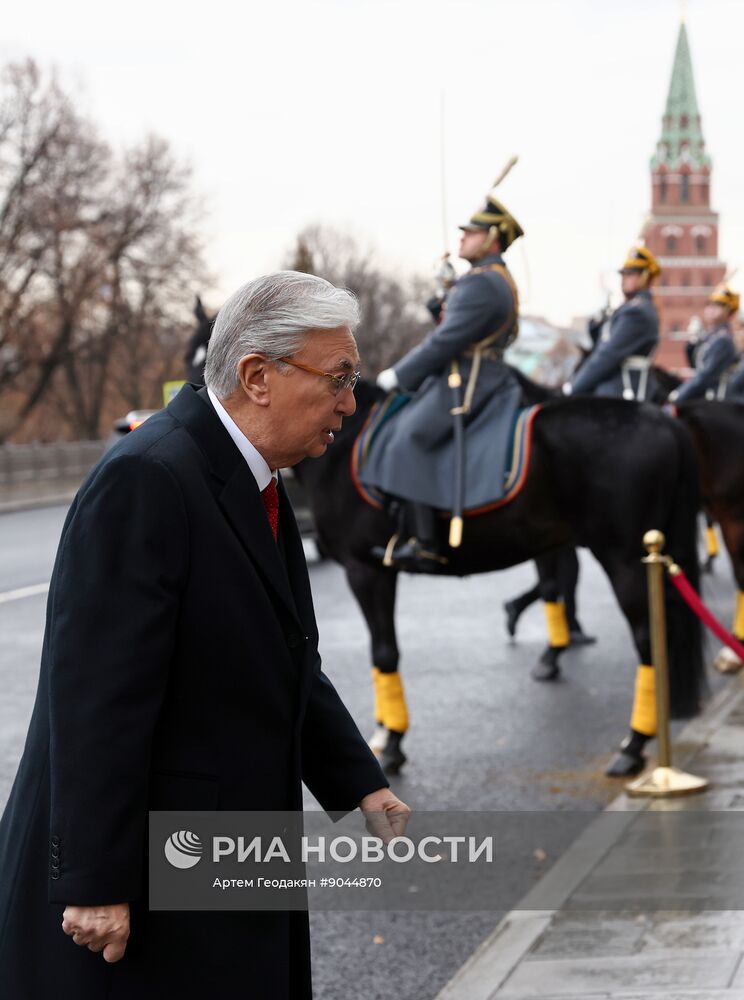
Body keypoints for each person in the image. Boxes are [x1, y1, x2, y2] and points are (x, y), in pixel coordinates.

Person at [0, 272, 409, 999]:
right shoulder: (148, 479)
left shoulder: (251, 474)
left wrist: (358, 783)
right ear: (258, 377)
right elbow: (96, 699)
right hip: (154, 882)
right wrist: (95, 881)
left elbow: (282, 656)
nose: (351, 403)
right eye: (338, 378)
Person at [363, 188, 524, 571]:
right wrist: (446, 300)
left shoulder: (483, 282)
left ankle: (425, 542)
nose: (462, 239)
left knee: (408, 438)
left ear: (492, 238)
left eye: (470, 233)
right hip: (476, 372)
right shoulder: (489, 279)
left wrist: (397, 375)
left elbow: (446, 341)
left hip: (468, 378)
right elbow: (459, 325)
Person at [563, 246, 661, 399]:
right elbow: (599, 345)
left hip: (621, 392)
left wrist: (574, 387)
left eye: (630, 274)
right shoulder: (628, 309)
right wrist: (598, 323)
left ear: (645, 277)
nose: (624, 279)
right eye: (623, 274)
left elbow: (607, 355)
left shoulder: (637, 312)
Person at [669, 284, 740, 402]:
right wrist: (692, 341)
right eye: (710, 304)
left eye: (719, 305)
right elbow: (695, 366)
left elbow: (706, 375)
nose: (712, 309)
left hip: (715, 399)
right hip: (705, 395)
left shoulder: (724, 340)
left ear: (729, 311)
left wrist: (678, 395)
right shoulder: (710, 336)